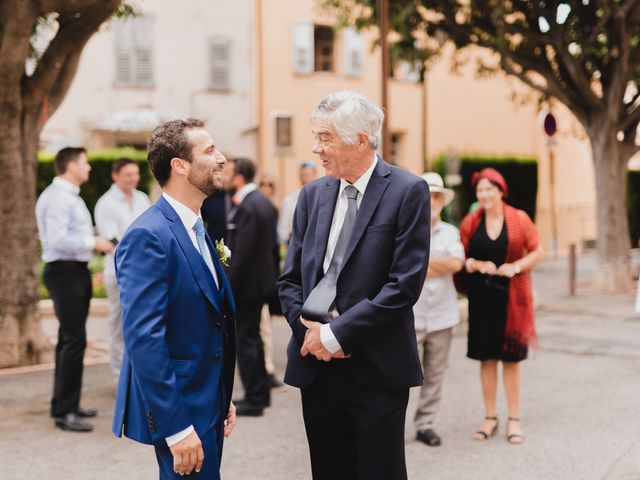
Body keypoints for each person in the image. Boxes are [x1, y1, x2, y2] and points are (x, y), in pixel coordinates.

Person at [278, 91, 430, 480]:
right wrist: (310, 335)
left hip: (376, 367)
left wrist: (336, 336)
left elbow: (403, 285)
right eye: (316, 137)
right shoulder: (312, 195)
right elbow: (290, 279)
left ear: (361, 139)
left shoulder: (407, 191)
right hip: (316, 368)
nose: (316, 148)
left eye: (325, 137)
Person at [112, 119, 237, 478]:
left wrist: (222, 394)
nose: (222, 158)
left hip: (208, 398)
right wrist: (177, 428)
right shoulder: (148, 237)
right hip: (182, 410)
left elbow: (210, 319)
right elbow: (143, 340)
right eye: (210, 151)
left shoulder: (196, 227)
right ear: (179, 166)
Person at [459, 167, 543, 445]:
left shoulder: (518, 218)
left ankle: (514, 419)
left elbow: (537, 250)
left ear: (500, 191)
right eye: (480, 190)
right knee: (486, 358)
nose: (483, 194)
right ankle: (490, 417)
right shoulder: (471, 222)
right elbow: (461, 256)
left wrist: (516, 266)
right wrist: (475, 264)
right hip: (482, 299)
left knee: (510, 359)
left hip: (512, 299)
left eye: (488, 189)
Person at [36, 147, 115, 432]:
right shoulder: (58, 198)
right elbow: (57, 241)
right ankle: (66, 411)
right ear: (71, 165)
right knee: (74, 340)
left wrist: (94, 239)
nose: (89, 168)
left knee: (69, 339)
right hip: (64, 272)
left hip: (73, 272)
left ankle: (65, 403)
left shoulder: (68, 196)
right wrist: (92, 243)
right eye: (84, 163)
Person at [222, 158, 278, 416]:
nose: (224, 176)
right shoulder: (263, 203)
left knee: (246, 341)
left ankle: (254, 398)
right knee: (253, 338)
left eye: (229, 172)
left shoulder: (247, 206)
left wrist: (227, 289)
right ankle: (261, 394)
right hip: (261, 282)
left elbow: (241, 253)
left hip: (247, 286)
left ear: (239, 177)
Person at [413, 173, 464, 447]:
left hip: (443, 316)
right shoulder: (406, 229)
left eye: (436, 196)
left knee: (435, 374)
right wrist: (436, 264)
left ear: (442, 201)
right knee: (398, 373)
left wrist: (421, 265)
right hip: (411, 316)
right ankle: (390, 425)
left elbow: (456, 265)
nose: (431, 201)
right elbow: (400, 269)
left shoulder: (450, 233)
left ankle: (425, 424)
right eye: (427, 195)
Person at [94, 158, 151, 380]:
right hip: (118, 272)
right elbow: (112, 242)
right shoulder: (105, 203)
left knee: (142, 322)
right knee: (118, 323)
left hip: (144, 271)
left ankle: (139, 374)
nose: (133, 178)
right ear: (115, 176)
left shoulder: (142, 198)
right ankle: (120, 376)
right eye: (128, 174)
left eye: (136, 173)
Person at [277, 161, 317, 245]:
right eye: (303, 175)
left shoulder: (323, 198)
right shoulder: (289, 200)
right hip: (297, 246)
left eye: (308, 175)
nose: (306, 178)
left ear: (314, 175)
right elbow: (282, 230)